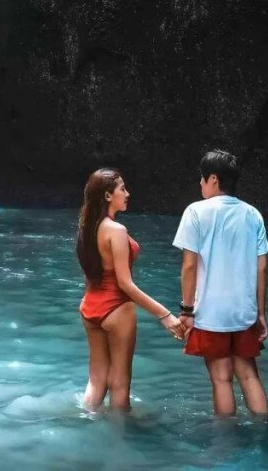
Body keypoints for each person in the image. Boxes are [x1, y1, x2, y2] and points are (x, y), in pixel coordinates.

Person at [77, 167, 186, 411]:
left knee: (96, 381)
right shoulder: (116, 231)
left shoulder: (87, 228)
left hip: (89, 307)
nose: (128, 194)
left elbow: (91, 274)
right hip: (116, 308)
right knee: (120, 384)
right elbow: (125, 284)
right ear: (107, 196)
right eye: (122, 189)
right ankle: (119, 442)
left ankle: (87, 428)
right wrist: (165, 315)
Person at [173, 150, 268, 416]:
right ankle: (264, 435)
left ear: (213, 179)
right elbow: (261, 267)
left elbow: (189, 265)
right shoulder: (253, 214)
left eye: (202, 179)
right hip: (244, 312)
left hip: (210, 313)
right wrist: (260, 314)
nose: (200, 184)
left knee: (221, 379)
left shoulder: (195, 211)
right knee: (249, 376)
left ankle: (225, 445)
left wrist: (186, 311)